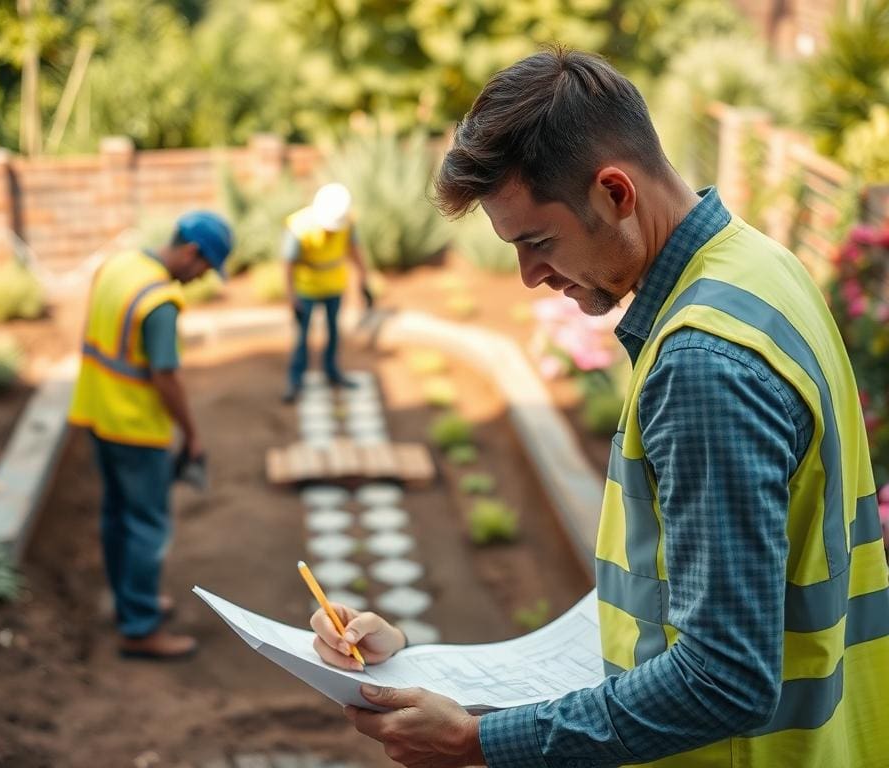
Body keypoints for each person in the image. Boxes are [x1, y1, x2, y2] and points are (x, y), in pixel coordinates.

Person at [309, 48, 889, 766]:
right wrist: (425, 667)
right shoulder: (761, 269)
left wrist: (475, 741)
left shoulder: (703, 363)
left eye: (538, 241)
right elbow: (691, 601)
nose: (529, 275)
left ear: (616, 191)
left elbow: (724, 680)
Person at [69, 211, 233, 660]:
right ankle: (140, 627)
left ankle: (128, 601)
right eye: (205, 268)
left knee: (116, 516)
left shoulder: (119, 265)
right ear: (192, 253)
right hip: (135, 429)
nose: (201, 279)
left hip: (97, 413)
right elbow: (165, 376)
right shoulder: (159, 301)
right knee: (147, 529)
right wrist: (192, 434)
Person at [282, 182, 370, 403]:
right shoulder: (299, 226)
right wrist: (291, 296)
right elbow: (288, 263)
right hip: (306, 288)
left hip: (334, 286)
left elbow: (354, 251)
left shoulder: (347, 222)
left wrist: (364, 280)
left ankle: (332, 371)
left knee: (333, 331)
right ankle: (296, 379)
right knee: (302, 335)